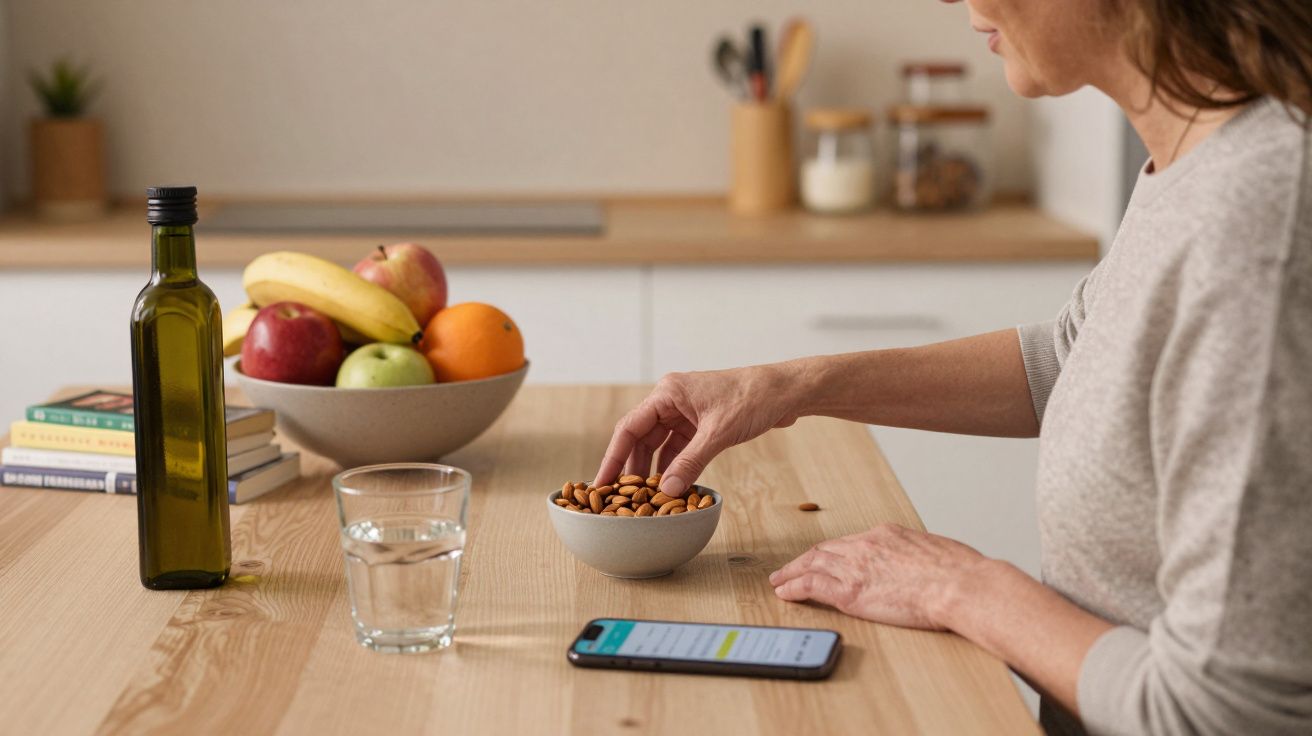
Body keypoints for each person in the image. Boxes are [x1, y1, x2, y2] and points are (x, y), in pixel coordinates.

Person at [593, 1, 1312, 733]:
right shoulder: (1199, 158)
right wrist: (788, 386)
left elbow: (1225, 714)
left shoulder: (1258, 222)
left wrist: (963, 590)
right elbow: (1075, 358)